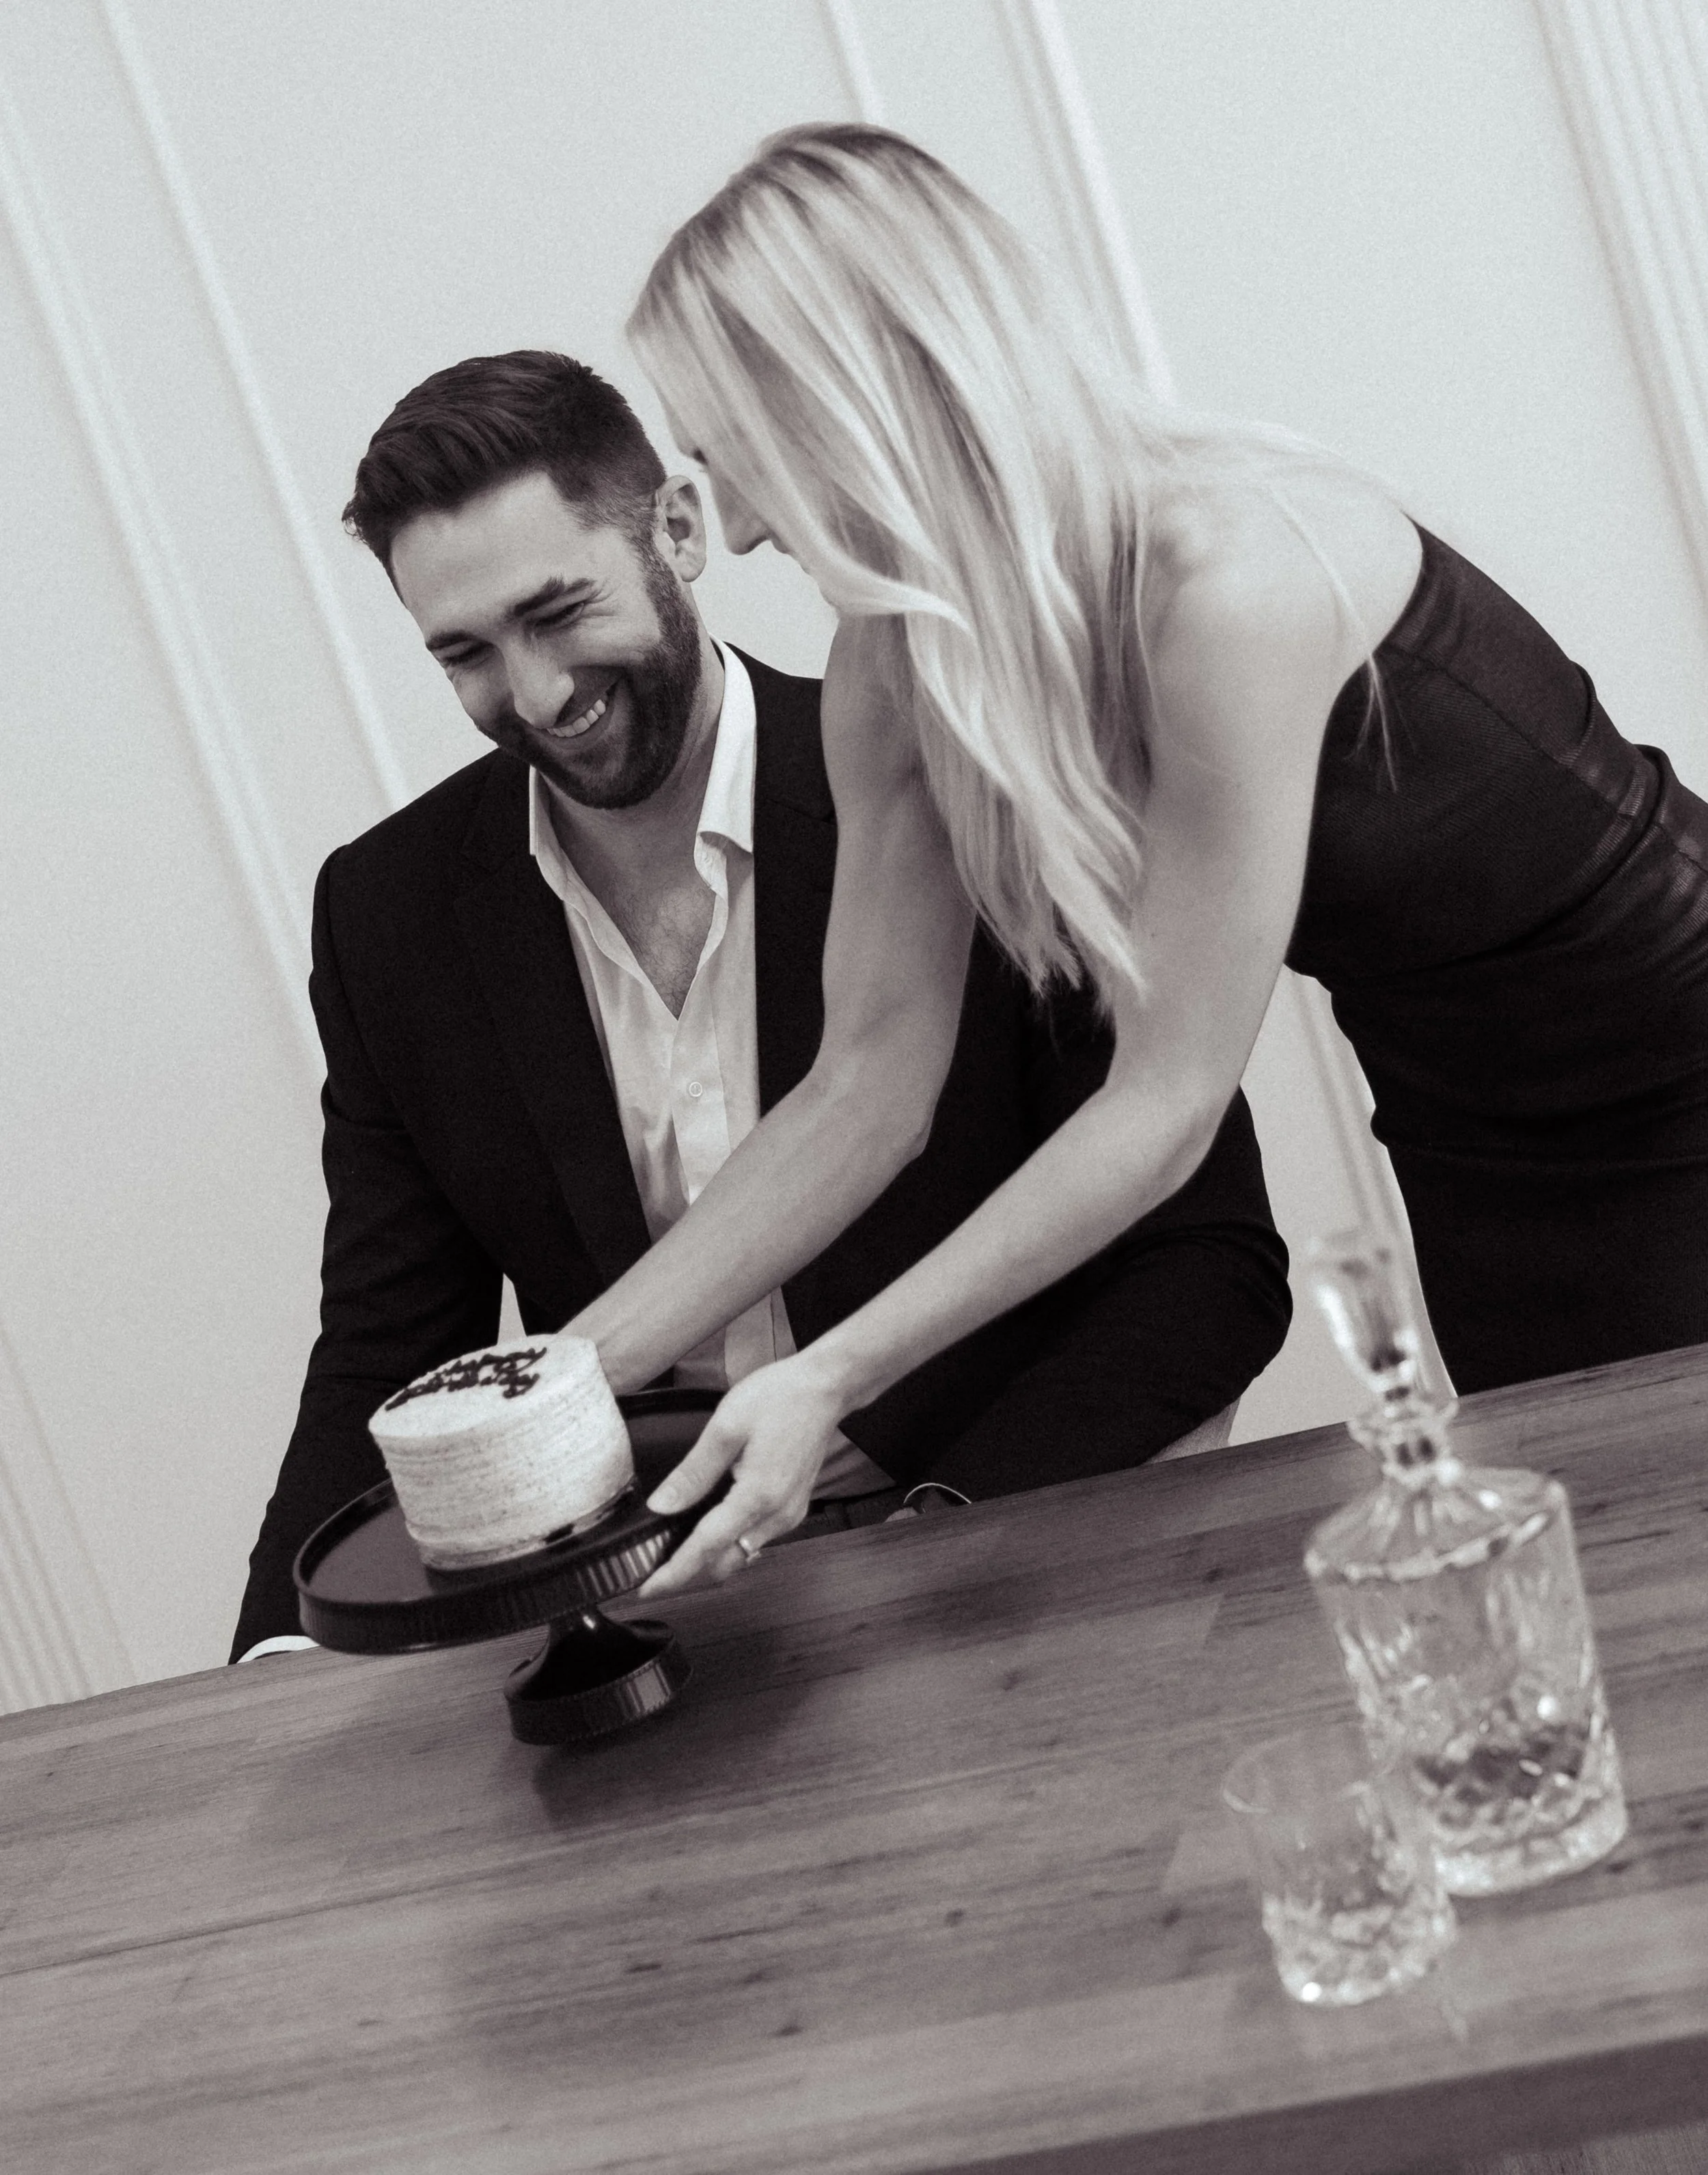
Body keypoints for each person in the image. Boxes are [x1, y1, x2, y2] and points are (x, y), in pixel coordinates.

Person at [540, 122, 1708, 1594]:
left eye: (734, 456)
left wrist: (828, 1371)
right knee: (1621, 1603)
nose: (745, 527)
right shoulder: (893, 668)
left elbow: (1163, 1104)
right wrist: (555, 1384)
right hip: (1467, 1145)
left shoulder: (1231, 577)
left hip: (1682, 1080)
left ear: (858, 400)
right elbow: (865, 1081)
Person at [228, 350, 1292, 1663]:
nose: (539, 692)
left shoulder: (949, 774)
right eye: (466, 653)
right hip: (651, 1606)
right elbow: (386, 1346)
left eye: (559, 612)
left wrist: (943, 1538)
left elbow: (1208, 1262)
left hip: (989, 1536)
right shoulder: (387, 912)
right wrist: (281, 1662)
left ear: (679, 530)